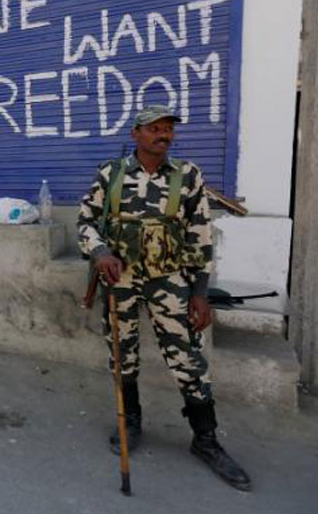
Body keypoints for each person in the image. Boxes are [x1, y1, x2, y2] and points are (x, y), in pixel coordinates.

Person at [76, 105, 251, 491]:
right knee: (122, 353)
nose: (164, 135)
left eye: (168, 129)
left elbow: (200, 236)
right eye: (155, 128)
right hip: (119, 279)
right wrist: (101, 251)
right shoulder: (112, 173)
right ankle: (131, 421)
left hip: (169, 280)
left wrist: (201, 293)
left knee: (188, 357)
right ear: (136, 133)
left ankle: (205, 440)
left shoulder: (188, 176)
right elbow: (85, 220)